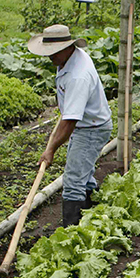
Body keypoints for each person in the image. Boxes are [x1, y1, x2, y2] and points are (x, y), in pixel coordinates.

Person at [27, 24, 113, 227]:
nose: (50, 58)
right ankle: (93, 219)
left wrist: (50, 150)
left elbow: (70, 122)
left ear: (67, 48)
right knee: (83, 174)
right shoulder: (72, 57)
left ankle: (72, 234)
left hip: (91, 128)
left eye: (54, 53)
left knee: (73, 182)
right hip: (87, 123)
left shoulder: (78, 76)